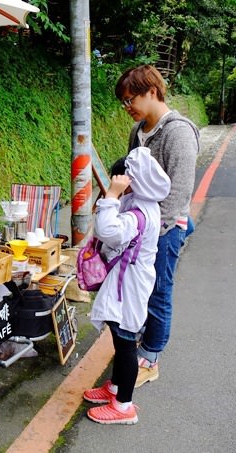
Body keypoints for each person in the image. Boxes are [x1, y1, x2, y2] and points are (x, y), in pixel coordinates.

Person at [115, 65, 199, 387]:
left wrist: (152, 230)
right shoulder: (138, 131)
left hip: (165, 228)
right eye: (123, 102)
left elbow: (179, 192)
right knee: (141, 287)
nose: (127, 107)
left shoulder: (178, 132)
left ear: (152, 91)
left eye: (130, 98)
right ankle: (143, 341)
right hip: (141, 226)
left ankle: (150, 357)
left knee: (159, 291)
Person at [84, 147, 171, 425]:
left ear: (130, 179)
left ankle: (124, 406)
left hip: (129, 285)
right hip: (128, 280)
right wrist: (116, 195)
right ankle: (115, 388)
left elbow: (108, 230)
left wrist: (111, 195)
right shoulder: (144, 203)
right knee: (119, 334)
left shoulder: (138, 215)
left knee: (125, 343)